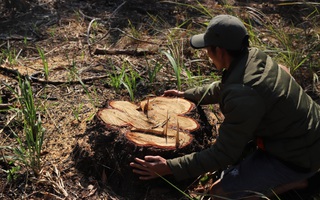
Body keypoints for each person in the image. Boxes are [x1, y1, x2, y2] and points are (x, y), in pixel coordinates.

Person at [130, 14, 320, 199]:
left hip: (299, 156)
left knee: (220, 194)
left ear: (219, 51)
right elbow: (226, 87)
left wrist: (170, 167)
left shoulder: (244, 94)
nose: (207, 54)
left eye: (208, 49)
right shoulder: (253, 57)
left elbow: (224, 154)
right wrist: (187, 94)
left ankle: (303, 182)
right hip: (306, 133)